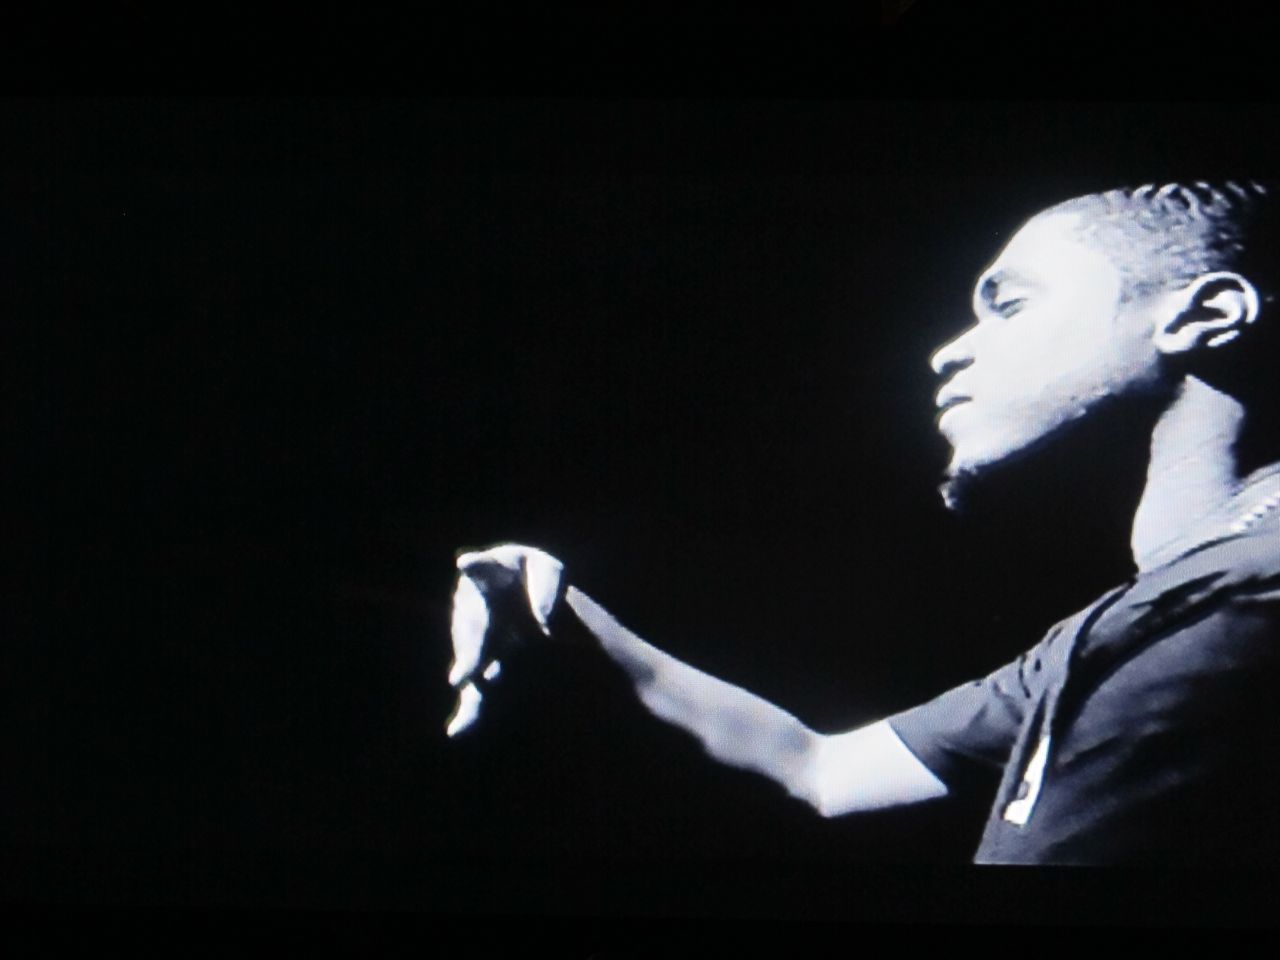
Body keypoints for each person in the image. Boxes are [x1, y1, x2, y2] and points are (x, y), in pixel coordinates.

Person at [447, 181, 1280, 865]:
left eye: (1011, 305)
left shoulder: (1258, 583)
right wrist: (552, 613)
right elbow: (821, 771)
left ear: (1204, 315)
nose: (948, 351)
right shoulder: (1110, 632)